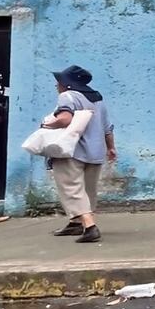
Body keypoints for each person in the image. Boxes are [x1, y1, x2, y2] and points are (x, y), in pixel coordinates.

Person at [42, 65, 115, 243]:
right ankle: (76, 223)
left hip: (73, 151)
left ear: (67, 84)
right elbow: (107, 128)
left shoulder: (67, 96)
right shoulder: (97, 99)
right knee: (88, 190)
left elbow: (65, 118)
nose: (56, 85)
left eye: (58, 82)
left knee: (71, 188)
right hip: (96, 151)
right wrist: (111, 148)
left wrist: (47, 125)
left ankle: (90, 227)